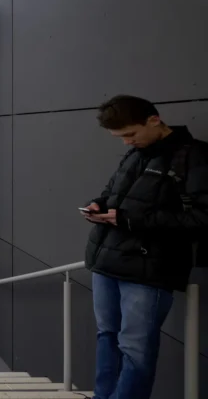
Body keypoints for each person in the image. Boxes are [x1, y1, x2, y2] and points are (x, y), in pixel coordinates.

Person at [83, 95, 208, 399]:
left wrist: (129, 219)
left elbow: (201, 217)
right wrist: (99, 204)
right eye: (120, 137)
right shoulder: (135, 153)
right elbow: (113, 191)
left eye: (130, 134)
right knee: (107, 337)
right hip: (106, 261)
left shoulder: (195, 155)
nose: (126, 142)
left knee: (135, 349)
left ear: (154, 120)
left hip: (150, 269)